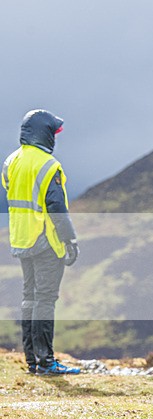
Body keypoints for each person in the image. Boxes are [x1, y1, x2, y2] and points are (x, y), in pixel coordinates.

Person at [2, 109, 81, 375]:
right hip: (46, 241)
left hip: (22, 239)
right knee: (46, 300)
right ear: (44, 134)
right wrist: (70, 240)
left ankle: (33, 361)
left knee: (29, 298)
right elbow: (57, 208)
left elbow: (10, 189)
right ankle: (47, 362)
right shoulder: (49, 166)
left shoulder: (10, 162)